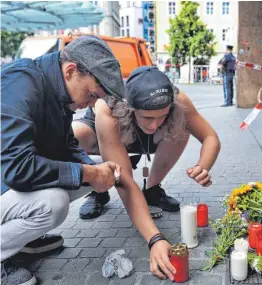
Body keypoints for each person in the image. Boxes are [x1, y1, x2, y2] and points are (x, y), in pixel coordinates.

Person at [1, 36, 174, 285]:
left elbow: (67, 146)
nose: (93, 104)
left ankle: (23, 240)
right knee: (54, 204)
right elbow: (17, 168)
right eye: (92, 95)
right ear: (71, 71)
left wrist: (95, 172)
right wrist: (86, 173)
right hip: (7, 177)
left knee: (100, 167)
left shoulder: (57, 90)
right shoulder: (19, 84)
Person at [72, 66, 221, 222]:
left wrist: (203, 167)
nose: (154, 125)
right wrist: (153, 235)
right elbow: (124, 180)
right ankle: (98, 190)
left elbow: (210, 137)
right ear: (130, 108)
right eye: (148, 118)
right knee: (76, 135)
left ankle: (152, 189)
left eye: (162, 115)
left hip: (149, 140)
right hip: (108, 132)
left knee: (182, 126)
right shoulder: (109, 105)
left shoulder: (178, 99)